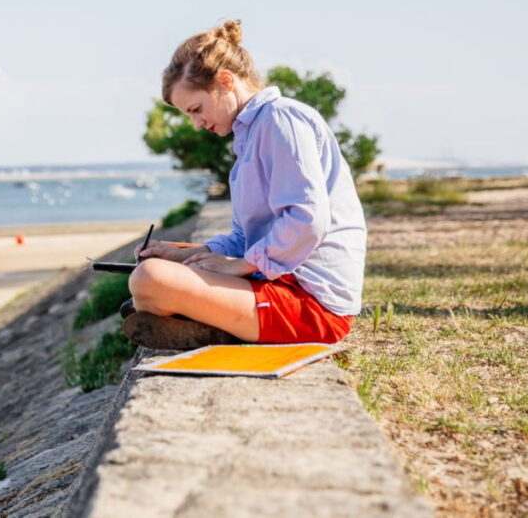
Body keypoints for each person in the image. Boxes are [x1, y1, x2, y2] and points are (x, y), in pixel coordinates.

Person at [123, 20, 366, 348]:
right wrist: (193, 254)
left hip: (311, 303)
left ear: (225, 81)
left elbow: (307, 219)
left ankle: (206, 321)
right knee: (155, 271)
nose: (196, 124)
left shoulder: (282, 120)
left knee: (149, 280)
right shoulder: (250, 137)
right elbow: (244, 236)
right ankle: (209, 320)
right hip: (277, 283)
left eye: (196, 109)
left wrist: (242, 265)